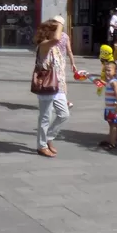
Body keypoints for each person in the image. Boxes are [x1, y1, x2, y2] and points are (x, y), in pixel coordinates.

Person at [34, 19, 70, 158]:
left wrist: (65, 90)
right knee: (45, 117)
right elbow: (55, 39)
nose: (59, 34)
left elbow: (60, 69)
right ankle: (41, 145)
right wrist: (60, 22)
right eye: (56, 31)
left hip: (58, 86)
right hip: (46, 85)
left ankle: (49, 137)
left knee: (64, 114)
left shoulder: (55, 48)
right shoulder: (44, 45)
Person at [52, 15, 77, 107]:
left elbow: (69, 51)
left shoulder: (50, 35)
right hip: (60, 61)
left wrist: (73, 63)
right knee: (61, 81)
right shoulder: (65, 36)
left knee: (54, 80)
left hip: (53, 61)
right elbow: (69, 51)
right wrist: (72, 63)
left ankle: (60, 100)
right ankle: (62, 101)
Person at [100, 61, 117, 150]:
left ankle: (113, 143)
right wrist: (93, 78)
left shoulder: (114, 82)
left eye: (109, 70)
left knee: (113, 125)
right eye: (105, 70)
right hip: (109, 108)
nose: (107, 72)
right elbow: (105, 83)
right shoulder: (110, 82)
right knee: (111, 124)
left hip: (113, 108)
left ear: (115, 72)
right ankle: (110, 140)